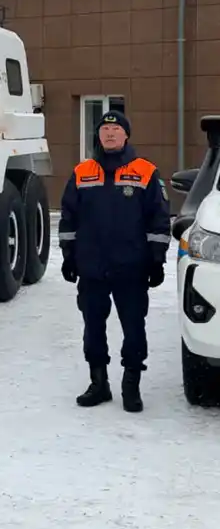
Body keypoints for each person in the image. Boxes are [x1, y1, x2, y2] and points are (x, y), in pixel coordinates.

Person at [59, 110, 171, 413]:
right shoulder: (82, 173)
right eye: (105, 129)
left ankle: (131, 386)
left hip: (131, 268)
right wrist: (69, 257)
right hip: (92, 268)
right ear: (98, 136)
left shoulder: (145, 172)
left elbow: (159, 219)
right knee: (92, 326)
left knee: (134, 328)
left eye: (116, 129)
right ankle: (99, 384)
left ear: (126, 135)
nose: (110, 134)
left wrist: (156, 259)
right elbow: (68, 216)